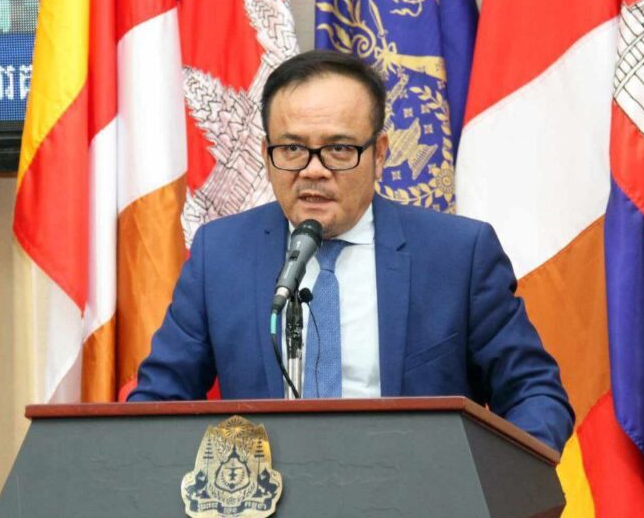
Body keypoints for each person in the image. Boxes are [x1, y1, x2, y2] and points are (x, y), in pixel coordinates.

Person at [129, 50, 574, 452]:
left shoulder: (457, 255)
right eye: (292, 149)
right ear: (266, 154)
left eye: (339, 149)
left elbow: (535, 393)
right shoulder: (221, 254)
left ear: (379, 154)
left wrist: (493, 489)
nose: (314, 170)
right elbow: (159, 400)